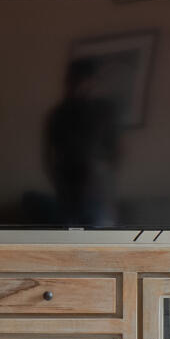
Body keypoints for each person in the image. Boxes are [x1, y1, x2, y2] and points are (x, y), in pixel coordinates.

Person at [41, 56, 122, 227]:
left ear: (91, 81)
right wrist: (59, 182)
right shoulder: (58, 114)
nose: (77, 86)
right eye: (72, 80)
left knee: (102, 243)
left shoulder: (104, 111)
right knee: (67, 244)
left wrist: (102, 179)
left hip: (97, 195)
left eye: (82, 80)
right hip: (67, 195)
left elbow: (116, 152)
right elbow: (48, 155)